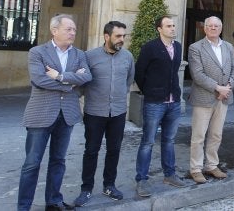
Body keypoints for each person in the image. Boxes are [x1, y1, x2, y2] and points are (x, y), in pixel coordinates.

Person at [18, 14, 92, 211]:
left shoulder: (79, 54)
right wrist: (72, 82)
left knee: (58, 160)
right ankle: (23, 206)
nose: (73, 33)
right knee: (32, 163)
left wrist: (59, 77)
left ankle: (53, 201)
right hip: (40, 114)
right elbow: (39, 80)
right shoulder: (37, 52)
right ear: (54, 30)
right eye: (69, 29)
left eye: (74, 30)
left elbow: (87, 78)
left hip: (67, 114)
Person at [74, 21, 135, 207]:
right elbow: (81, 84)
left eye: (124, 36)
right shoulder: (89, 56)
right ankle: (86, 189)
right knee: (91, 151)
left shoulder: (128, 57)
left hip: (118, 112)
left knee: (114, 150)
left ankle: (109, 185)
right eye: (118, 36)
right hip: (94, 113)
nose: (122, 40)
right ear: (106, 36)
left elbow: (128, 81)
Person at [134, 15, 184, 197]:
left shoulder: (177, 47)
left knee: (169, 141)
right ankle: (142, 179)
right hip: (155, 102)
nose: (172, 28)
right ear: (159, 29)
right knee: (147, 141)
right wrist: (150, 91)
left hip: (174, 102)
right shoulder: (150, 48)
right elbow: (139, 72)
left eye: (173, 25)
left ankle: (169, 174)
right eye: (168, 26)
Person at [188, 16, 234, 184]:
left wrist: (229, 86)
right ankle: (195, 168)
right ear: (205, 28)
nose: (213, 28)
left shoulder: (229, 47)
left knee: (216, 134)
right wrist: (218, 88)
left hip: (223, 98)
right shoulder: (195, 47)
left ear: (221, 28)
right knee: (199, 135)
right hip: (204, 97)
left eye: (216, 26)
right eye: (210, 26)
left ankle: (211, 165)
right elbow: (197, 74)